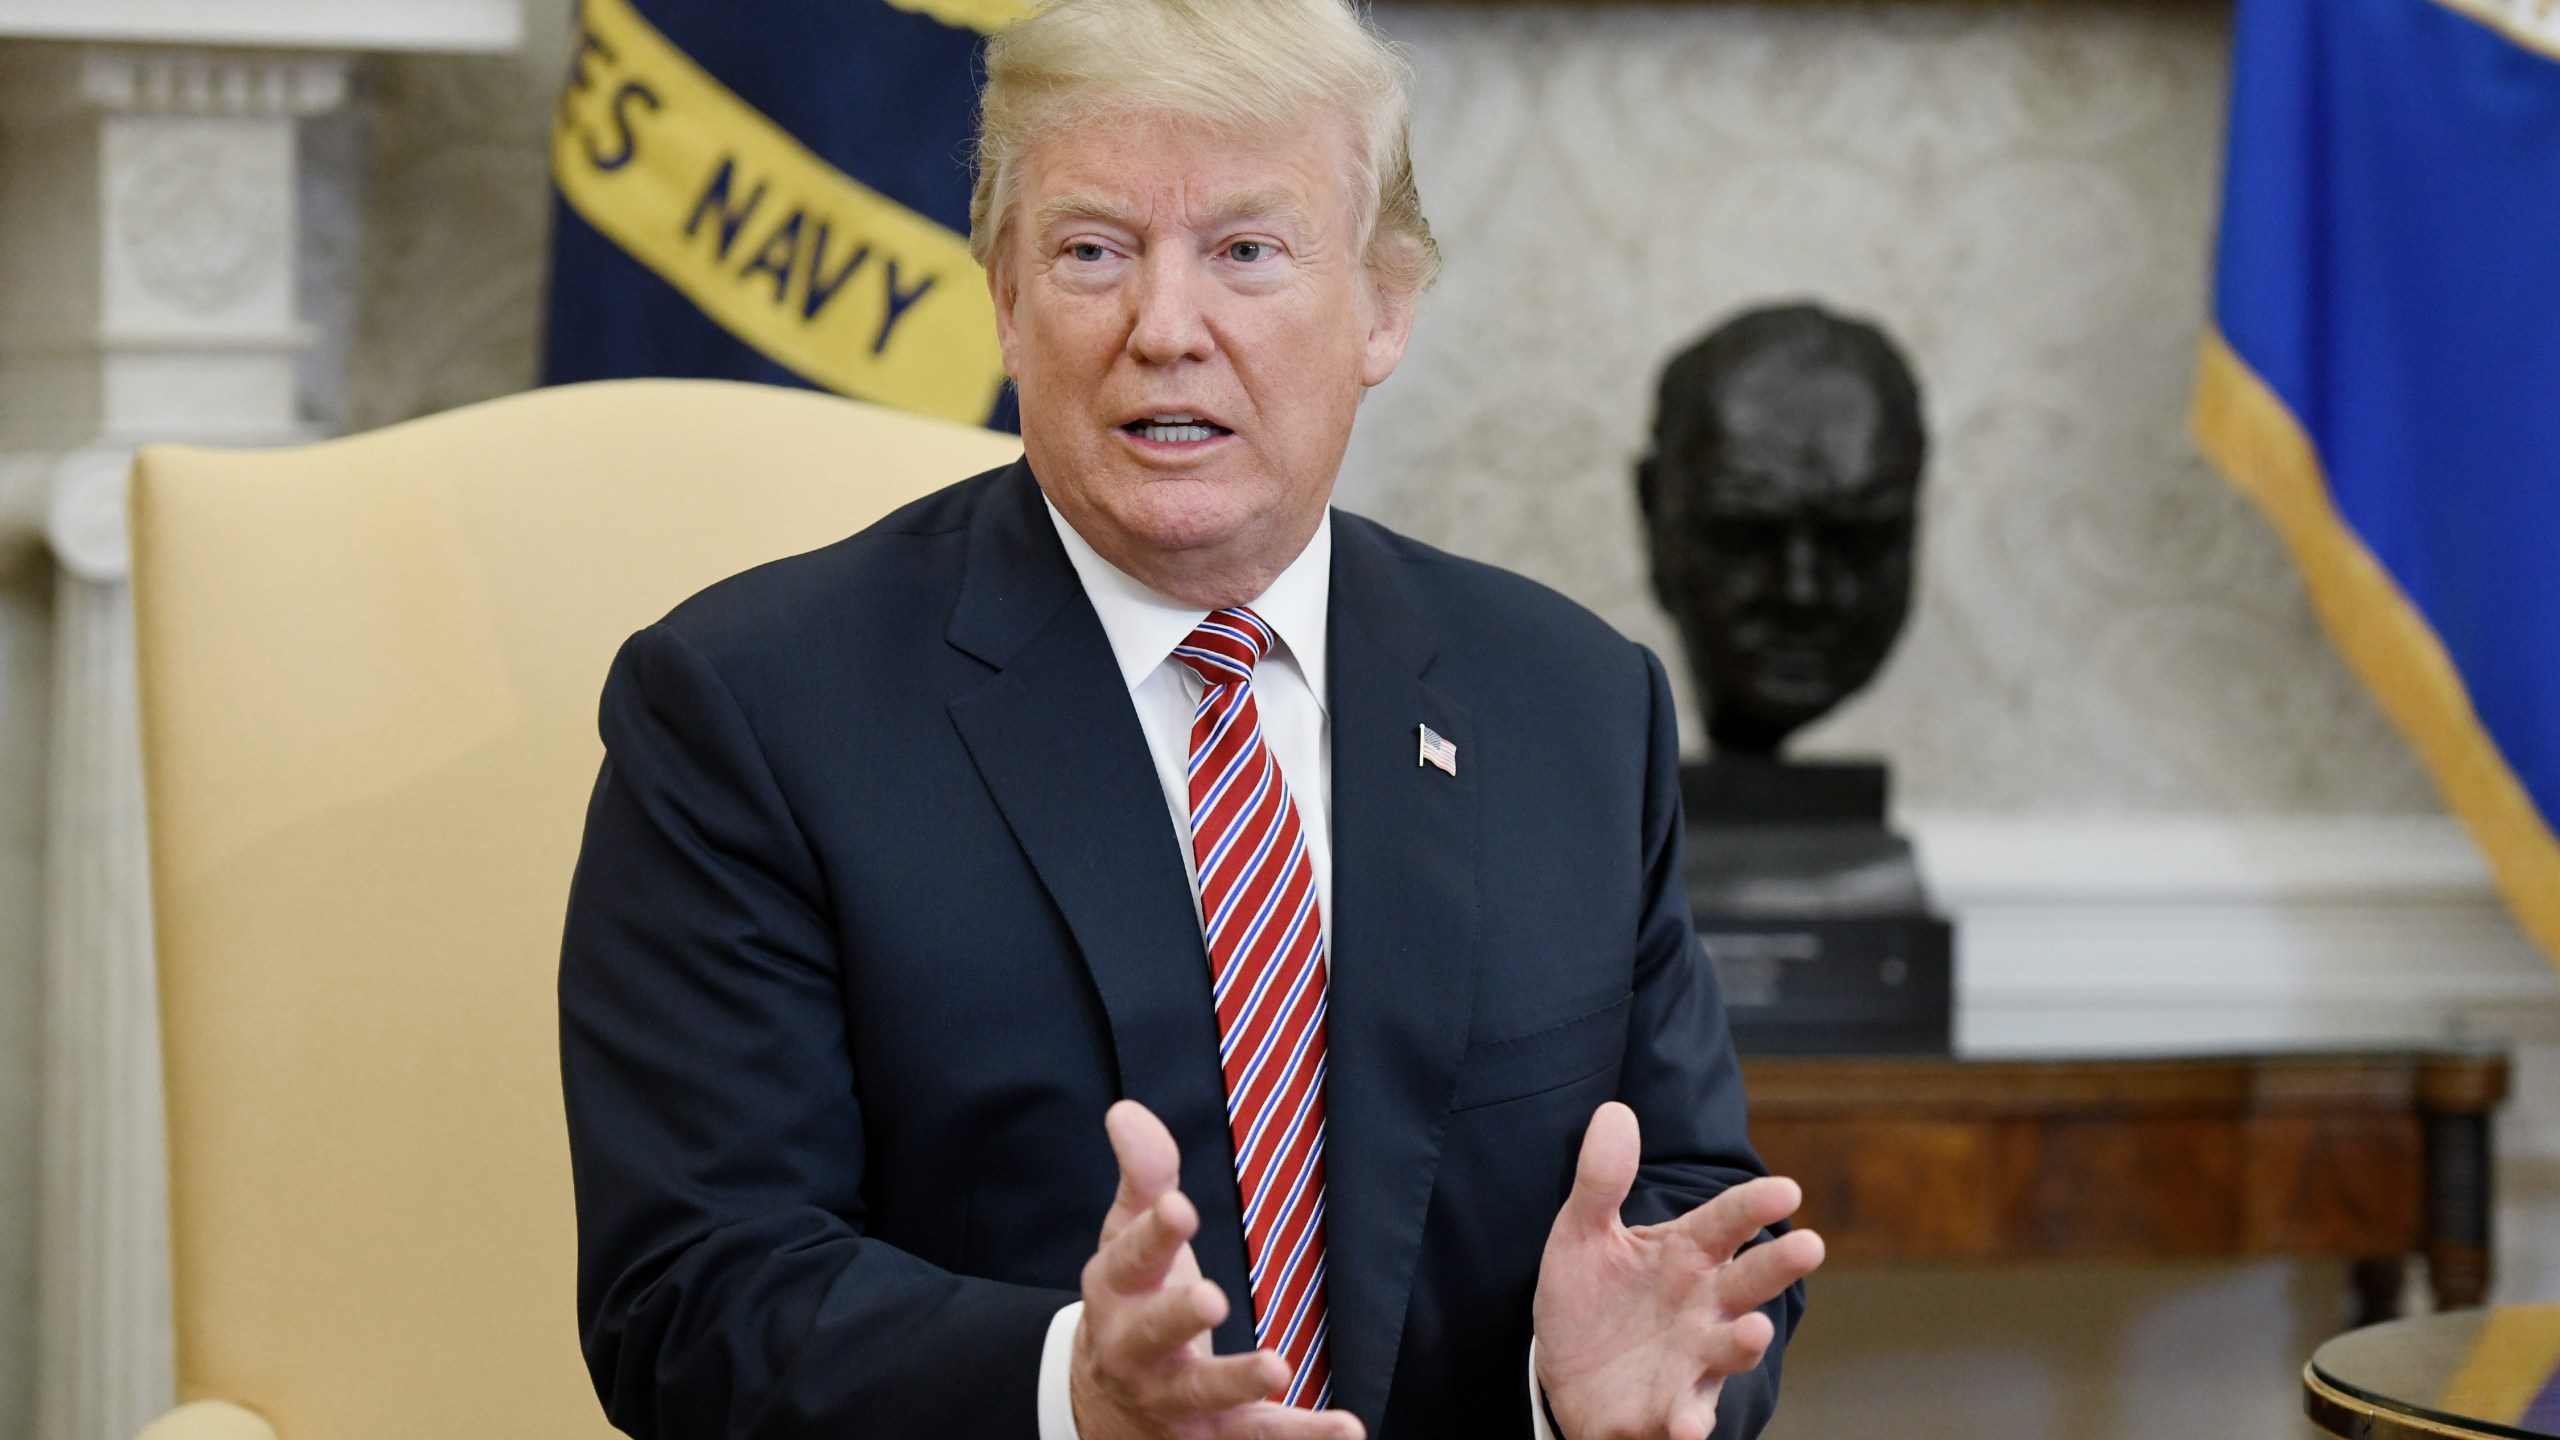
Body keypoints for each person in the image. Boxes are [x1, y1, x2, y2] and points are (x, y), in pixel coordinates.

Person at [557, 1, 1823, 1437]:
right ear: (1005, 299)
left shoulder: (1571, 703)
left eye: (1245, 253)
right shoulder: (750, 714)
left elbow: (1686, 1225)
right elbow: (692, 1291)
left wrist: (1582, 1389)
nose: (1166, 330)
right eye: (1093, 252)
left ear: (1385, 306)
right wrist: (1067, 1393)